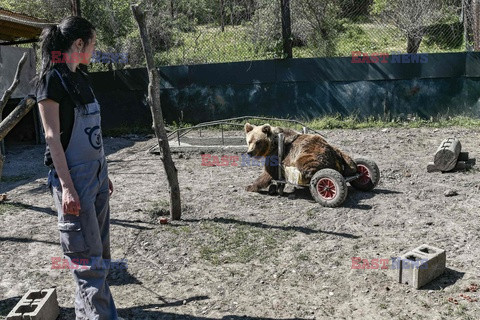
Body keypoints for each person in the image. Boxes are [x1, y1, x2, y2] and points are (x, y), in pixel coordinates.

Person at [35, 16, 122, 320]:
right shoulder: (51, 81)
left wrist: (104, 173)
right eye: (93, 43)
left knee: (100, 257)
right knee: (86, 260)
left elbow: (94, 133)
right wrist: (68, 187)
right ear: (79, 43)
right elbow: (51, 137)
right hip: (74, 180)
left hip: (96, 177)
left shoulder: (80, 78)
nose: (95, 49)